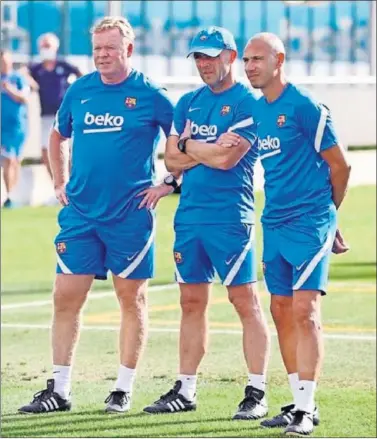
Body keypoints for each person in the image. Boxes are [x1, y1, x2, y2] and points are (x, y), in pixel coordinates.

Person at [18, 16, 174, 414]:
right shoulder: (80, 91)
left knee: (131, 299)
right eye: (97, 49)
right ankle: (60, 388)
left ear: (129, 51)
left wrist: (169, 183)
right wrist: (59, 180)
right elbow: (57, 135)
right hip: (81, 215)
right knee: (65, 297)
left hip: (131, 216)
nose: (102, 56)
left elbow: (184, 140)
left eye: (110, 48)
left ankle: (122, 388)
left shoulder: (151, 95)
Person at [143, 26, 271, 421]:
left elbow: (225, 160)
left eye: (211, 56)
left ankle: (257, 390)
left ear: (231, 57)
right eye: (198, 57)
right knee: (191, 302)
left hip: (232, 218)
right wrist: (198, 149)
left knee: (244, 301)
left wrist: (187, 145)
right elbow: (171, 162)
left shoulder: (250, 102)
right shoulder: (187, 103)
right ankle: (185, 388)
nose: (204, 64)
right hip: (190, 217)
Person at [242, 33, 351, 435]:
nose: (251, 66)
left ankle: (306, 409)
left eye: (258, 59)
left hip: (310, 222)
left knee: (305, 312)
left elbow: (340, 167)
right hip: (274, 222)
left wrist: (329, 217)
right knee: (281, 311)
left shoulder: (305, 107)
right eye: (247, 60)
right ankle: (297, 400)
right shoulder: (257, 112)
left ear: (279, 60)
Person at [28, 32, 82, 199]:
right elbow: (23, 73)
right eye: (44, 46)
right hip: (45, 116)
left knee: (68, 150)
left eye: (49, 46)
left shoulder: (64, 65)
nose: (46, 49)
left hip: (65, 114)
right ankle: (58, 186)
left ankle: (73, 185)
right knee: (47, 152)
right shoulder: (36, 68)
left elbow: (81, 74)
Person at [1, 50, 29, 208]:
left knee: (16, 161)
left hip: (18, 127)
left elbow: (24, 98)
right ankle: (8, 196)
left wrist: (9, 89)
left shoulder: (18, 79)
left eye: (6, 61)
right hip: (2, 128)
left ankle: (12, 194)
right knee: (8, 159)